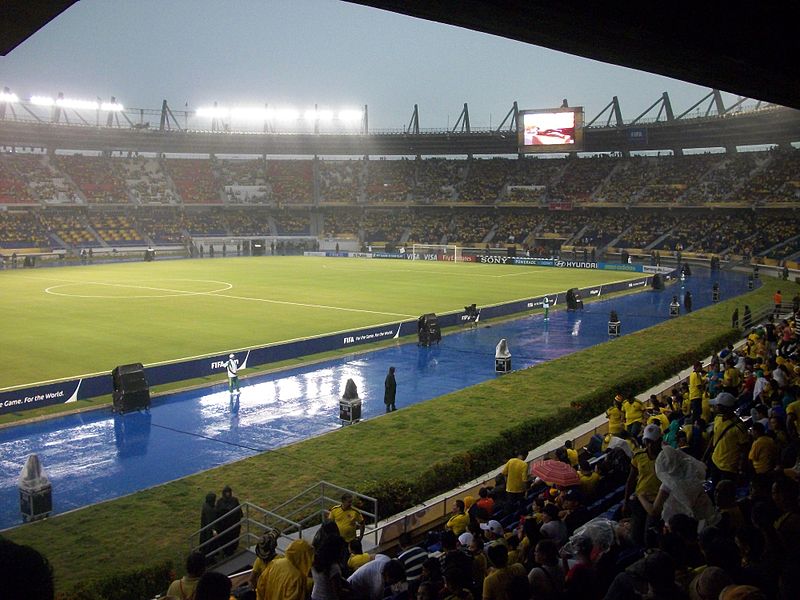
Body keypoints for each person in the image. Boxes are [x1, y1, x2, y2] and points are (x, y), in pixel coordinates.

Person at [215, 485, 243, 557]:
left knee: (233, 538)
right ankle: (225, 550)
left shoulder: (234, 500)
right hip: (224, 526)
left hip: (233, 525)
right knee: (225, 539)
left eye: (228, 492)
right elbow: (218, 513)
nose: (227, 494)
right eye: (226, 492)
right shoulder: (220, 502)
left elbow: (238, 511)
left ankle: (232, 549)